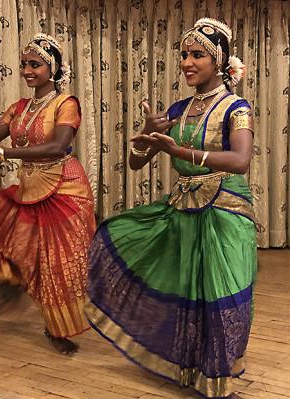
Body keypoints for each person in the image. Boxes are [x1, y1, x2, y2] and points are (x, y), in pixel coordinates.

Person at [85, 18, 256, 398]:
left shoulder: (236, 107)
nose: (187, 62)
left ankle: (220, 378)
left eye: (198, 55)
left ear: (220, 60)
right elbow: (135, 164)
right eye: (184, 55)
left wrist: (179, 152)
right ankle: (193, 368)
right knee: (187, 289)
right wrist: (145, 138)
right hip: (184, 208)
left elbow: (241, 160)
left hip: (224, 209)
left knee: (220, 291)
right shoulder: (179, 108)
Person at [0, 33, 96, 355]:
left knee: (56, 264)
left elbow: (58, 146)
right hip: (31, 185)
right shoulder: (19, 107)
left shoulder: (66, 103)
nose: (28, 70)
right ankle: (15, 279)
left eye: (36, 64)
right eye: (24, 64)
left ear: (53, 68)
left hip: (65, 189)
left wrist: (3, 152)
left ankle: (57, 329)